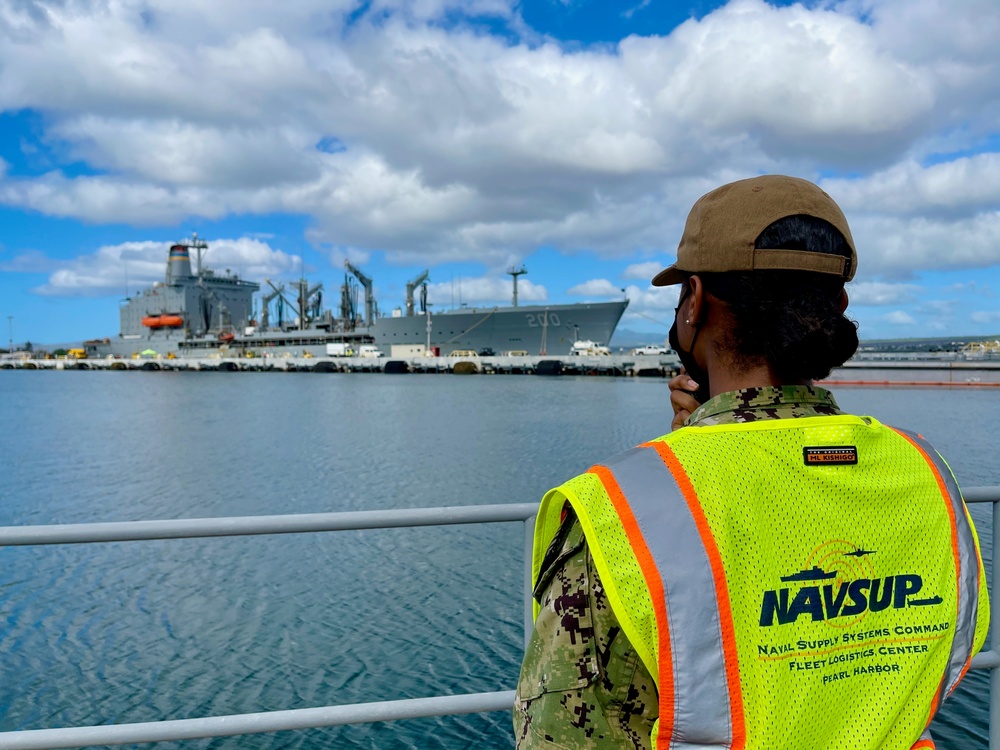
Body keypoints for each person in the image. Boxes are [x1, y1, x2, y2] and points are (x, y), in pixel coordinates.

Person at [513, 175, 989, 749]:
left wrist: (693, 453)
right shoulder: (927, 473)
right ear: (835, 306)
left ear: (694, 300)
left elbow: (562, 734)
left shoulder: (626, 514)